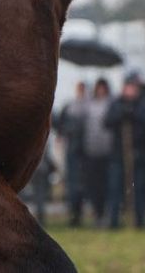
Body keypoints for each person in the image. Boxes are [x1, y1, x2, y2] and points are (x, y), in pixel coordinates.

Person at [105, 72, 145, 228]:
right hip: (119, 154)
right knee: (115, 189)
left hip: (138, 153)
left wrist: (134, 114)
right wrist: (122, 114)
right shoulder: (117, 103)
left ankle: (138, 221)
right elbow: (107, 122)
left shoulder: (143, 104)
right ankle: (114, 221)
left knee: (138, 189)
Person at [54, 81, 89, 227]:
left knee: (80, 185)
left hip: (84, 152)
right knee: (73, 185)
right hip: (73, 152)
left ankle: (77, 215)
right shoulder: (70, 107)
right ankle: (74, 215)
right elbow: (60, 127)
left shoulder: (86, 107)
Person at [81, 78, 114, 226]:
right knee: (94, 185)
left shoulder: (111, 104)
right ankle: (97, 213)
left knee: (106, 185)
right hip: (91, 151)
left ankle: (105, 213)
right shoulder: (89, 105)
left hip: (107, 151)